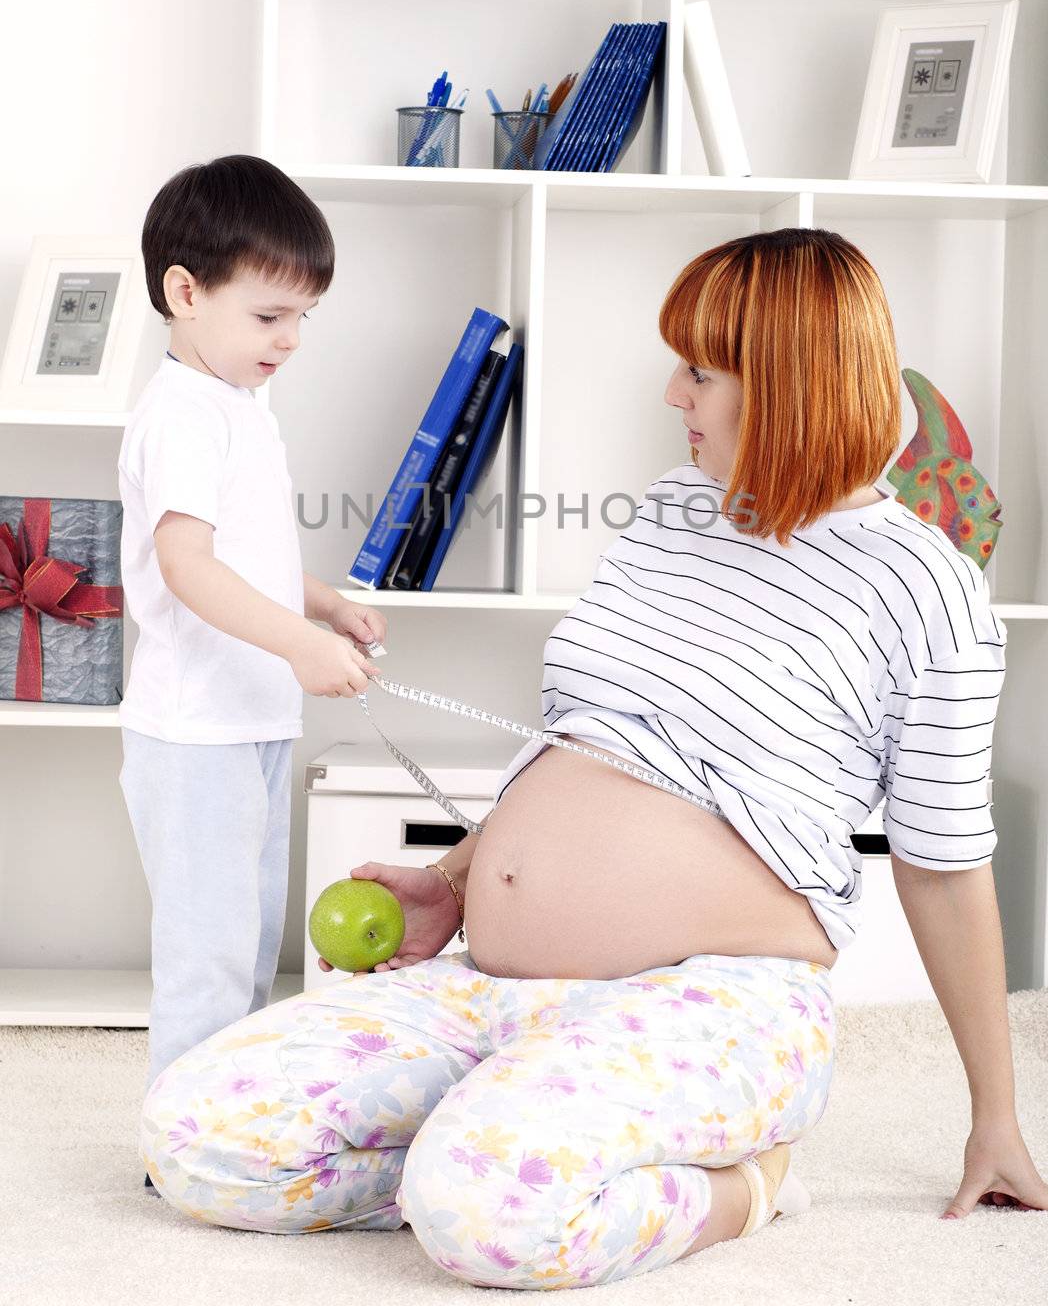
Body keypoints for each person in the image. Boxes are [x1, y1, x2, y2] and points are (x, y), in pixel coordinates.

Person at [136, 226, 1047, 1281]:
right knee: (195, 1135)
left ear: (792, 384)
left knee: (484, 1215)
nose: (673, 393)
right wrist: (452, 879)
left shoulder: (927, 588)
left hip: (715, 995)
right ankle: (497, 1156)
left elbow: (944, 862)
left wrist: (995, 1115)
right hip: (499, 979)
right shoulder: (671, 510)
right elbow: (589, 743)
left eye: (700, 371)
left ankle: (745, 1181)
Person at [116, 155, 388, 1191]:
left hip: (252, 723)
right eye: (271, 314)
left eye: (304, 317)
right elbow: (186, 568)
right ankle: (179, 1155)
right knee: (211, 956)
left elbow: (241, 551)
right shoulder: (184, 410)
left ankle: (221, 1124)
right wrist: (298, 643)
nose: (291, 341)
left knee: (250, 943)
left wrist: (320, 604)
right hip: (197, 735)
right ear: (185, 293)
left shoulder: (235, 402)